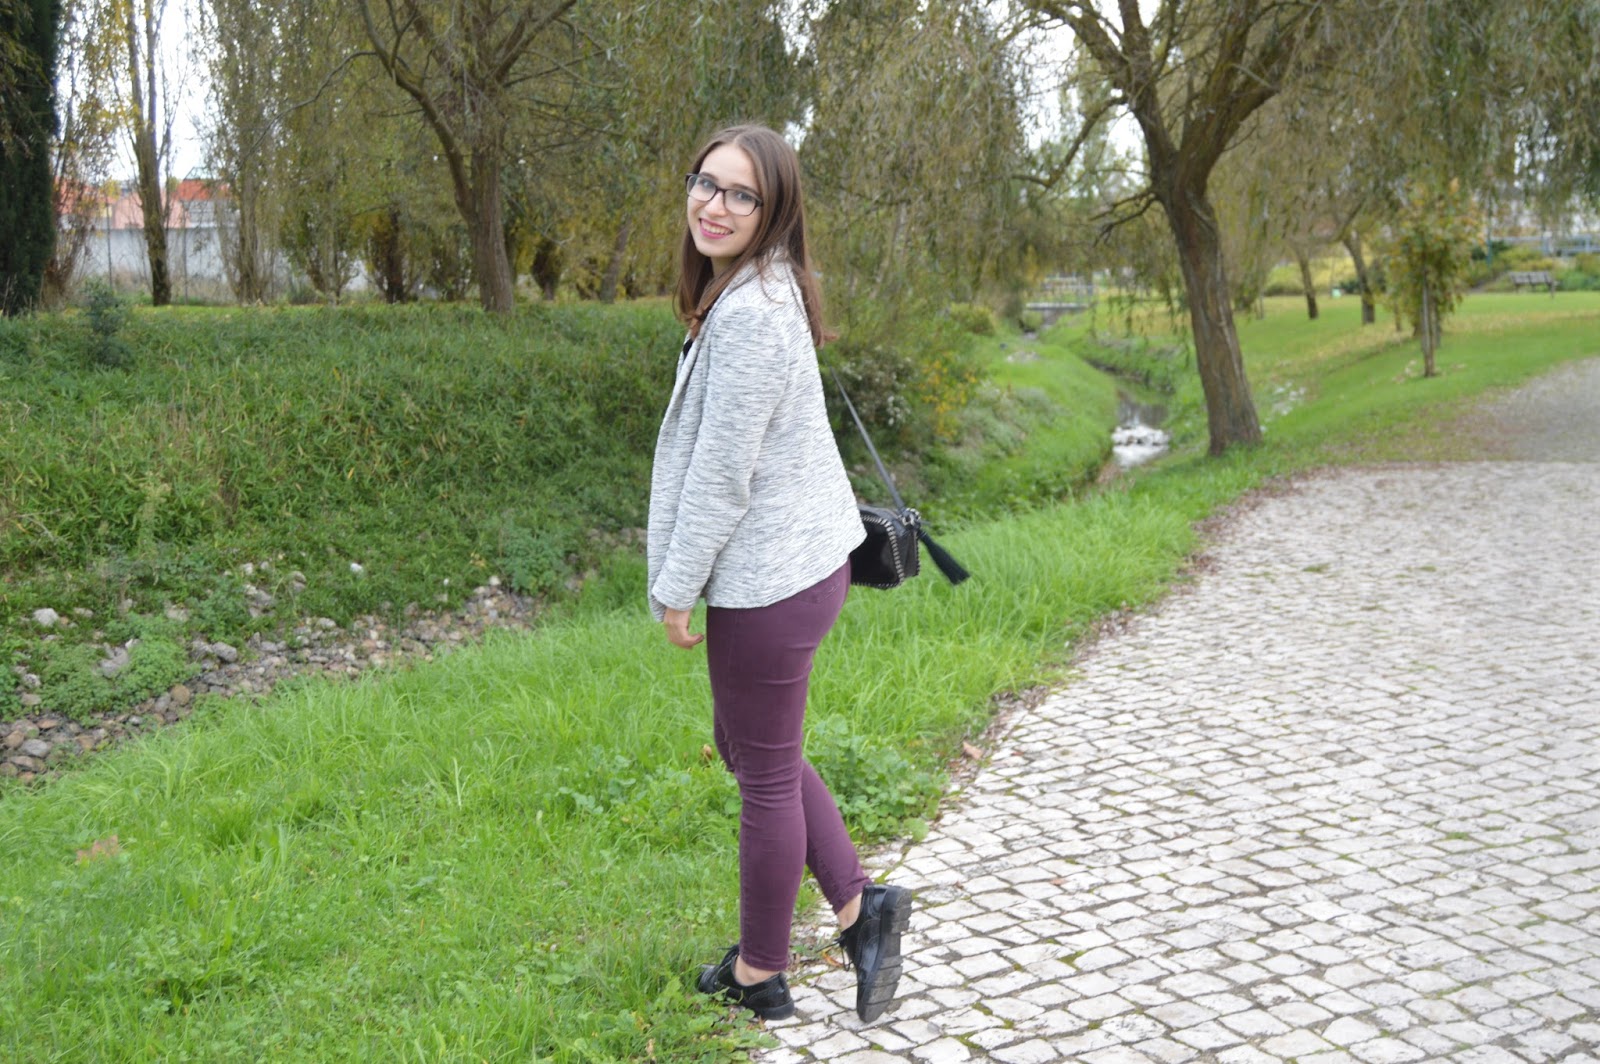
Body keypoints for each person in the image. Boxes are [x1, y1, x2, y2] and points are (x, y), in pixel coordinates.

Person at [646, 123, 912, 1024]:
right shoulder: (754, 288)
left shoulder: (753, 315)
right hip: (792, 566)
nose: (714, 206)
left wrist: (676, 587)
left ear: (774, 211)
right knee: (755, 751)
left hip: (772, 580)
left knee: (762, 776)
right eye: (705, 183)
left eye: (741, 195)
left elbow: (724, 476)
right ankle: (861, 908)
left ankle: (760, 973)